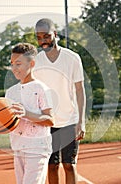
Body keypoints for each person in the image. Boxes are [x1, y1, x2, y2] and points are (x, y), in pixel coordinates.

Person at [33, 18, 86, 184]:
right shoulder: (36, 61)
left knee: (69, 165)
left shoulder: (72, 58)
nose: (43, 41)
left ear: (55, 34)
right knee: (51, 166)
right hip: (47, 122)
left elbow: (80, 90)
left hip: (70, 120)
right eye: (39, 37)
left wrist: (81, 121)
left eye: (46, 36)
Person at [5, 42, 55, 184]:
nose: (14, 68)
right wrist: (0, 122)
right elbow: (9, 122)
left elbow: (50, 120)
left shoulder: (41, 88)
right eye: (12, 63)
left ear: (31, 64)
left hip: (37, 147)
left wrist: (26, 114)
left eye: (18, 64)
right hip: (18, 146)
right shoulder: (10, 92)